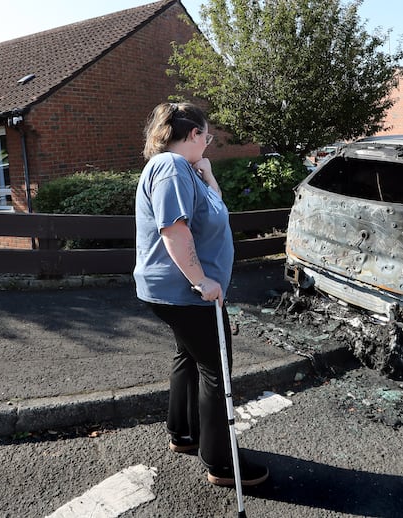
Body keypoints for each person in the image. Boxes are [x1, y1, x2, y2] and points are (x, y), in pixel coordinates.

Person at [133, 102, 269, 487]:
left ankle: (183, 433)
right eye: (206, 138)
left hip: (178, 292)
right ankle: (222, 463)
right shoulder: (171, 168)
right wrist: (201, 281)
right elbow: (173, 230)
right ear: (193, 134)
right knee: (215, 367)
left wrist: (208, 175)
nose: (207, 145)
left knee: (188, 356)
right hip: (186, 292)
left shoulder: (186, 171)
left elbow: (216, 210)